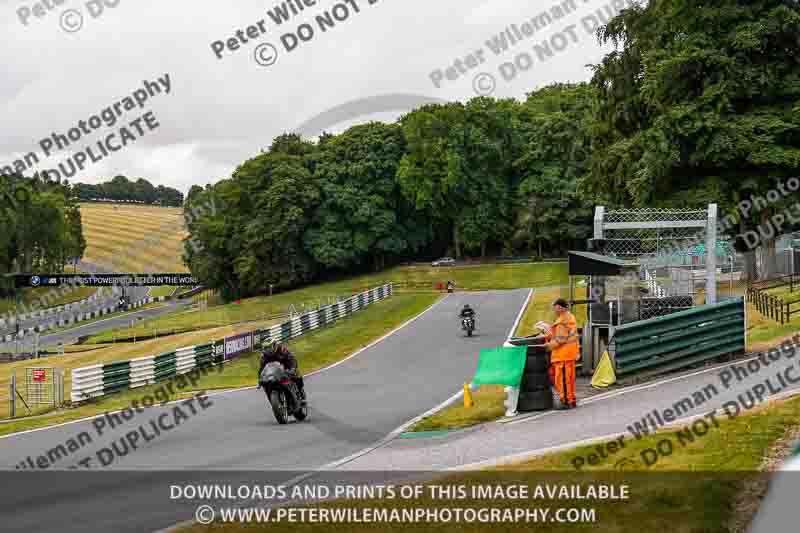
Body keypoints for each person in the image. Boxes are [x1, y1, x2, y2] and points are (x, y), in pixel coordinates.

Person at [544, 298, 579, 410]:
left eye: (556, 307)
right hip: (569, 354)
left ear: (561, 307)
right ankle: (571, 399)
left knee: (563, 380)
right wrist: (549, 333)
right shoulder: (569, 317)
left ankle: (566, 401)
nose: (555, 310)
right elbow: (562, 335)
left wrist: (547, 346)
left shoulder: (562, 321)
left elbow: (560, 340)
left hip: (563, 355)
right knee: (569, 380)